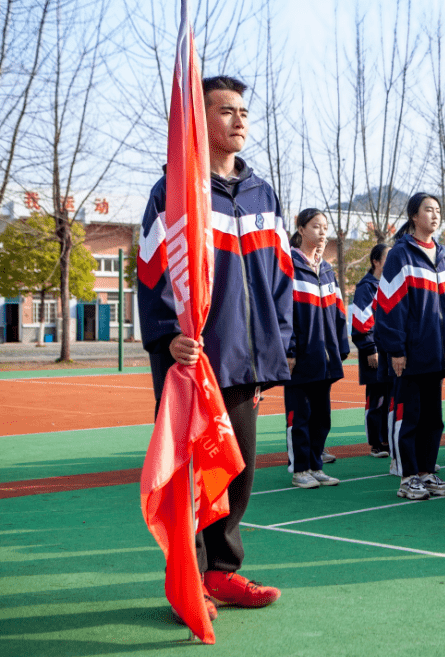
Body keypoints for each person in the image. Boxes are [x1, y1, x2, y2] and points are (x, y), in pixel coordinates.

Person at [138, 75, 288, 610]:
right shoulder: (173, 191)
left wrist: (278, 342)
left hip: (245, 358)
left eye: (243, 110)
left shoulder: (262, 193)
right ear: (198, 120)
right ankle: (187, 579)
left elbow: (279, 277)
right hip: (193, 358)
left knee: (237, 466)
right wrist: (167, 335)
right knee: (188, 473)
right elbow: (152, 273)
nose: (239, 119)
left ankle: (223, 573)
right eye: (225, 110)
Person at [376, 192, 445, 501]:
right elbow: (389, 305)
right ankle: (408, 476)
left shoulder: (442, 254)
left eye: (438, 210)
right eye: (429, 209)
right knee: (408, 415)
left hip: (437, 353)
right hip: (410, 353)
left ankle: (427, 471)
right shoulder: (400, 254)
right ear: (414, 216)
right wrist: (395, 350)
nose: (435, 215)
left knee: (431, 418)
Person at [285, 209, 349, 489]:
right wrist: (289, 350)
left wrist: (340, 347)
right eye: (316, 226)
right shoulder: (287, 265)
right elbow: (283, 312)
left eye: (325, 227)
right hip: (301, 357)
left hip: (326, 356)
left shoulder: (326, 269)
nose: (323, 232)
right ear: (301, 229)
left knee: (322, 416)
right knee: (300, 415)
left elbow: (338, 312)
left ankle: (315, 465)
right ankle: (300, 469)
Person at [350, 243, 391, 459]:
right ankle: (377, 442)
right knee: (376, 399)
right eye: (388, 258)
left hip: (391, 351)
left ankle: (388, 438)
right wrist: (369, 347)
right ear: (376, 261)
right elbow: (361, 320)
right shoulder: (367, 287)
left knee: (391, 396)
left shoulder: (392, 285)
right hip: (374, 352)